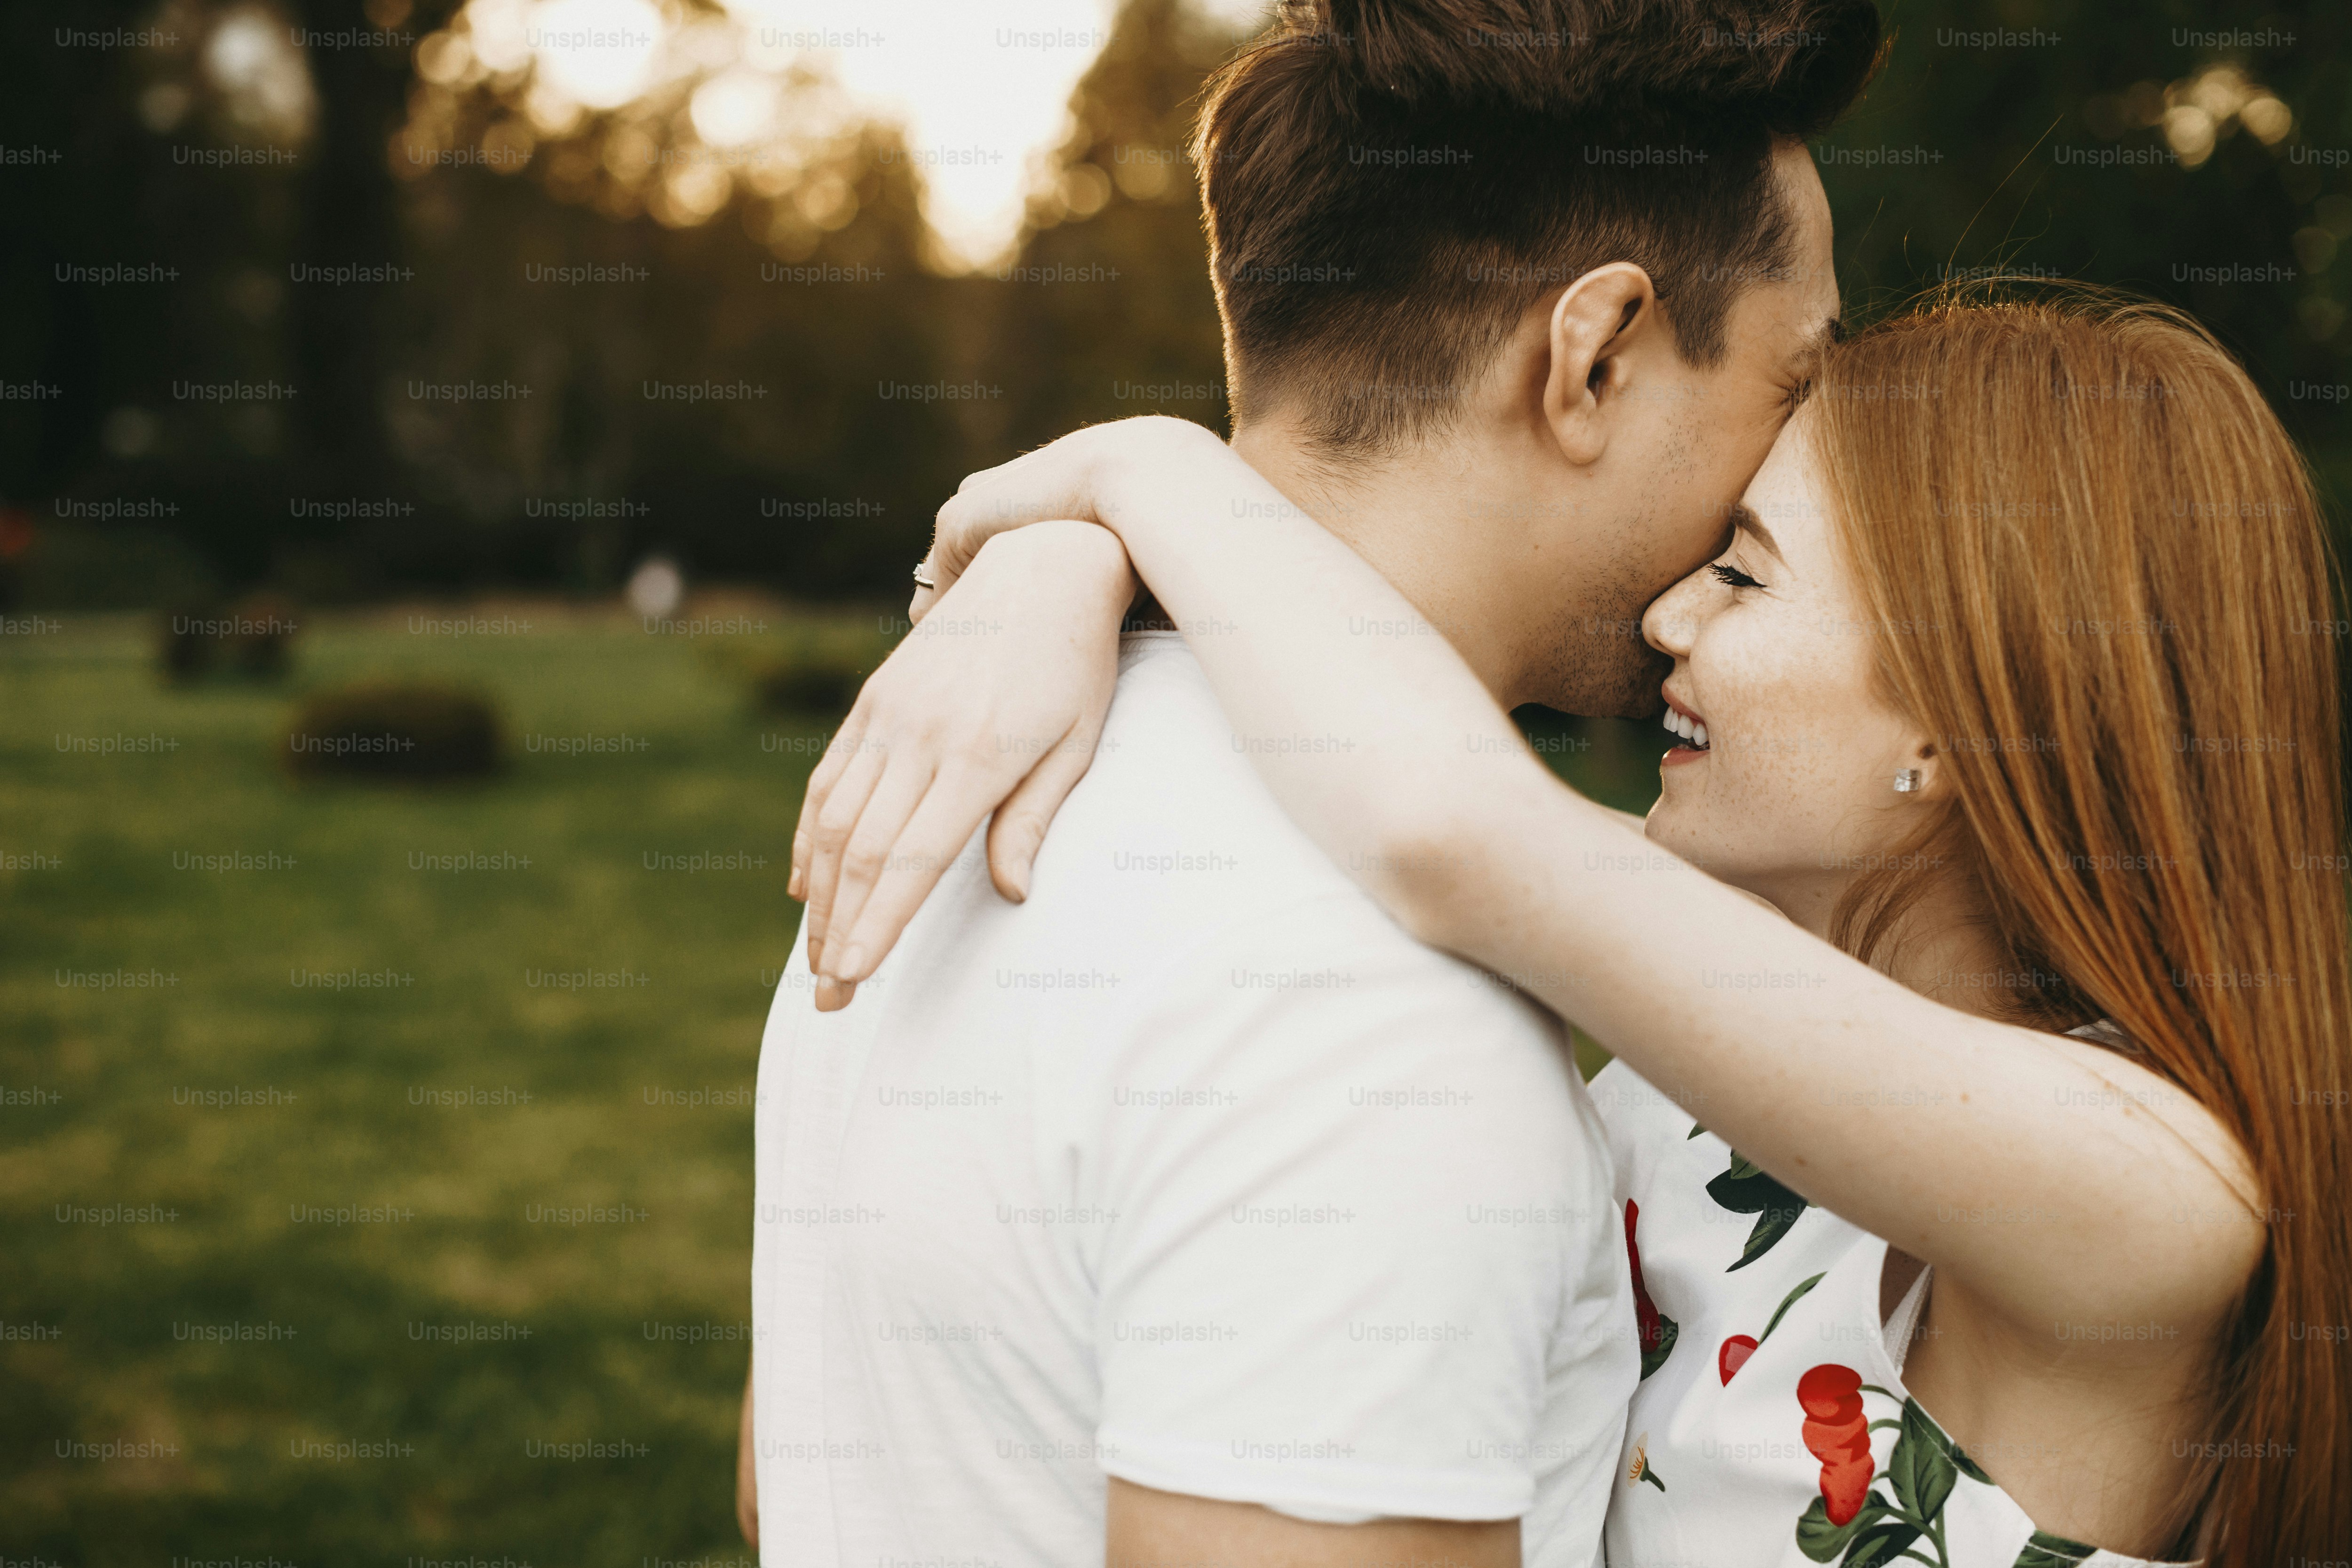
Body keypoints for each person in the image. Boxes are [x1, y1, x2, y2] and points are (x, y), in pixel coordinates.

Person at [793, 290, 2351, 1565]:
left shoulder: (2151, 1192)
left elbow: (1450, 822)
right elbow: (1379, 741)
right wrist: (1068, 569)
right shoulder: (1734, 1017)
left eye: (1744, 575)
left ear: (1953, 723)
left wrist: (1143, 472)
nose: (1669, 614)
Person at [741, 0, 1885, 1561]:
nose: (1798, 459)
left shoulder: (956, 793)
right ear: (1596, 357)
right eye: (1794, 381)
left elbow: (799, 1473)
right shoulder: (1379, 1019)